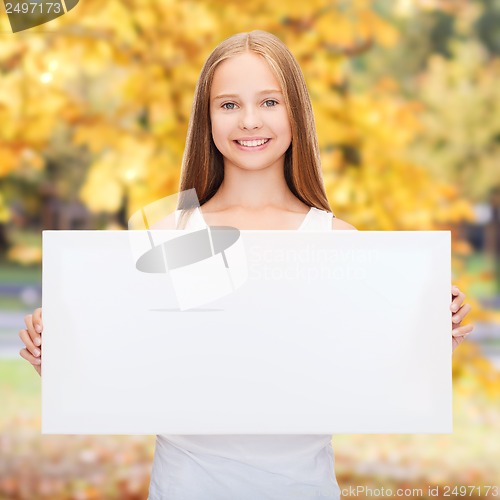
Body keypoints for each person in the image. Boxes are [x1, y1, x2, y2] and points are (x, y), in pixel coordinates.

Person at [19, 30, 474, 499]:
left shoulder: (337, 243)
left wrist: (432, 336)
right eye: (229, 105)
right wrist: (56, 356)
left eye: (270, 102)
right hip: (185, 487)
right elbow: (118, 367)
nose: (250, 121)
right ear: (207, 118)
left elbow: (380, 375)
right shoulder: (168, 238)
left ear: (296, 111)